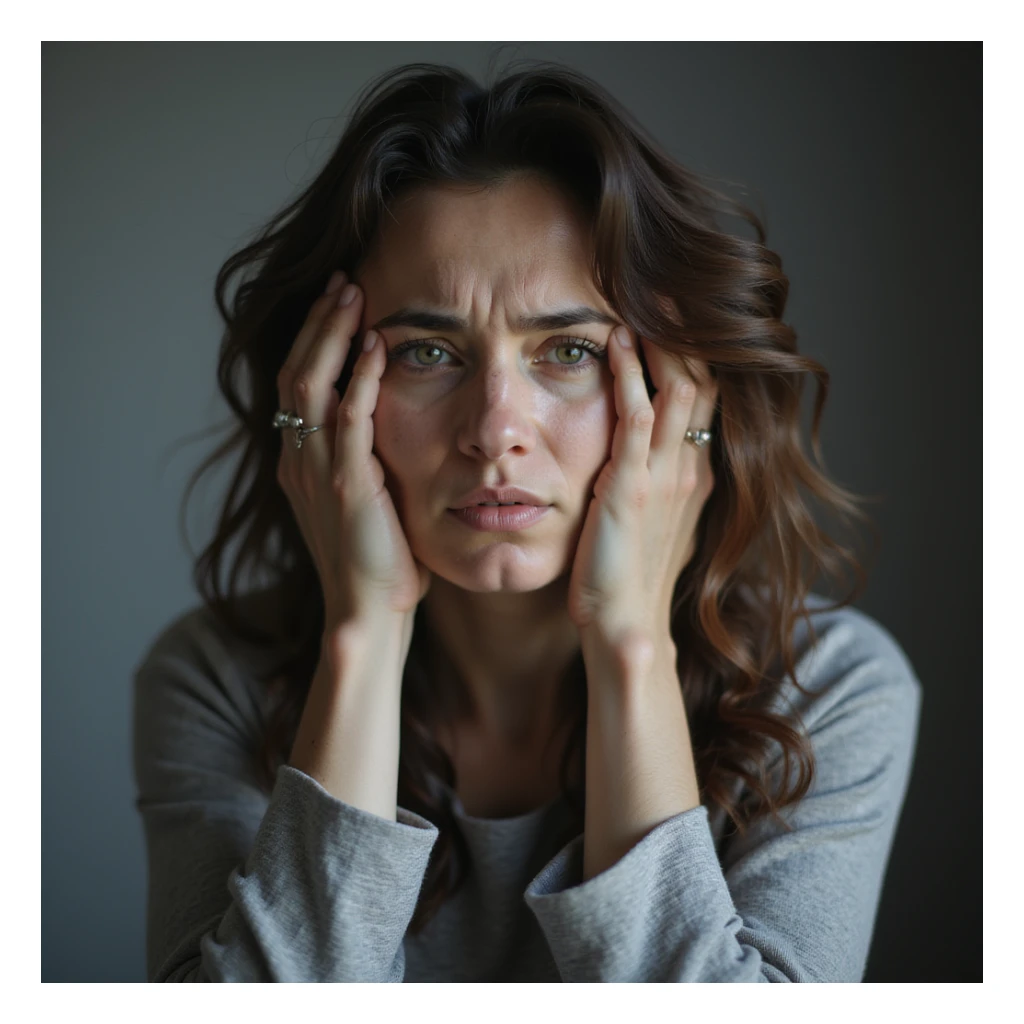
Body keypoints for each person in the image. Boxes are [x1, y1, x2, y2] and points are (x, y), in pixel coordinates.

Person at [132, 59, 922, 982]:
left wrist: (631, 645)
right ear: (325, 390)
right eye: (428, 352)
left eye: (570, 351)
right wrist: (364, 634)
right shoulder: (217, 681)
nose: (495, 429)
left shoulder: (827, 692)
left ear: (681, 396)